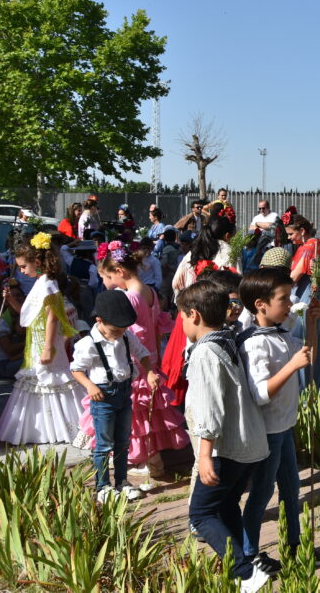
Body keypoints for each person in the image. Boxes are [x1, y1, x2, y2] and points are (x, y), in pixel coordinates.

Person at [180, 280, 270, 593]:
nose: (181, 323)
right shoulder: (227, 338)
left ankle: (245, 573)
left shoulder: (205, 352)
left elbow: (210, 407)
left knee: (202, 513)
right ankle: (248, 558)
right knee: (228, 504)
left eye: (180, 316)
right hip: (249, 444)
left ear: (193, 315)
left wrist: (205, 454)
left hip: (225, 448)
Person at [75, 241, 188, 476]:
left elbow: (126, 336)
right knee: (145, 413)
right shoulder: (150, 292)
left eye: (107, 277)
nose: (106, 283)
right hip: (149, 359)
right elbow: (156, 329)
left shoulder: (128, 297)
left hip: (134, 364)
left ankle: (141, 460)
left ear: (120, 272)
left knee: (134, 414)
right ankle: (151, 457)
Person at [238, 268, 312, 576]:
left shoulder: (281, 333)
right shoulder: (255, 344)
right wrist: (293, 366)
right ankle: (248, 552)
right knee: (263, 492)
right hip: (268, 432)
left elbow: (308, 355)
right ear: (260, 305)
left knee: (291, 487)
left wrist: (315, 321)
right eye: (284, 298)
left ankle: (293, 543)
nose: (290, 303)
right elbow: (260, 393)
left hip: (284, 426)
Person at [0, 233, 85, 445]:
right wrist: (10, 300)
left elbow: (52, 318)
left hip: (47, 342)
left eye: (23, 267)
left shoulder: (47, 285)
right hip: (37, 342)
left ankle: (62, 428)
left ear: (37, 262)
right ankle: (41, 429)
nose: (22, 271)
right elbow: (31, 315)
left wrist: (47, 347)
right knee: (37, 382)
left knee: (50, 380)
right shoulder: (40, 283)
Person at [70, 290, 155, 503]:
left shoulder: (126, 336)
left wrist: (150, 372)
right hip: (103, 398)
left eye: (123, 329)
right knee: (104, 443)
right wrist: (89, 385)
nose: (120, 333)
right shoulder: (88, 343)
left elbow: (142, 354)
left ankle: (121, 481)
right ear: (100, 320)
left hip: (124, 393)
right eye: (115, 329)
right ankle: (102, 486)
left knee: (122, 441)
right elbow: (76, 369)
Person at [161, 213, 239, 408]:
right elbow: (236, 283)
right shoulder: (229, 252)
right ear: (228, 236)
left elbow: (175, 282)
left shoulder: (194, 251)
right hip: (214, 316)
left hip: (187, 316)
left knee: (182, 363)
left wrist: (185, 299)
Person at [286, 213, 320, 385]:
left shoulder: (311, 246)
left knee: (303, 335)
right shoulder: (310, 244)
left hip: (307, 293)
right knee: (310, 335)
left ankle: (304, 384)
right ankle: (310, 381)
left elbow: (296, 275)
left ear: (302, 230)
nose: (289, 238)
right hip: (308, 291)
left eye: (291, 234)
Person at [0, 281, 26, 384]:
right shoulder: (2, 321)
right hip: (4, 364)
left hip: (18, 358)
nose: (16, 299)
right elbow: (9, 350)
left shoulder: (24, 317)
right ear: (7, 301)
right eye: (12, 297)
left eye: (18, 295)